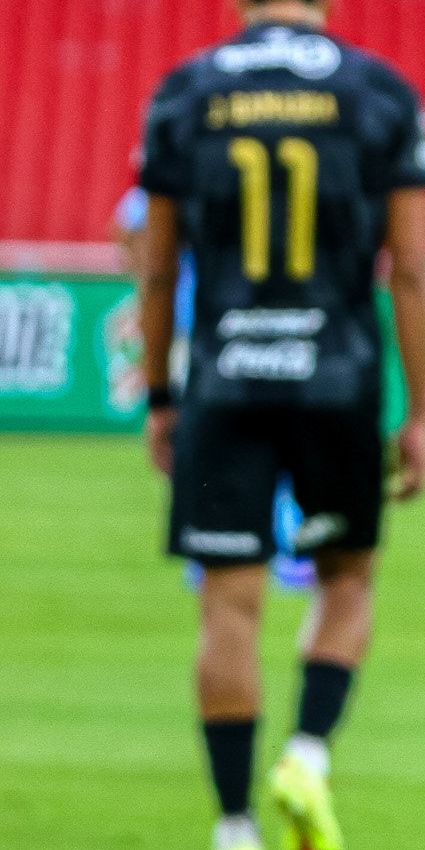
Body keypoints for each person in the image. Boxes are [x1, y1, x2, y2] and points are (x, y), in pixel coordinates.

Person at [135, 0, 425, 850]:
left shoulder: (186, 91)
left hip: (225, 378)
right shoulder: (381, 92)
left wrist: (159, 393)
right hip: (339, 378)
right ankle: (306, 754)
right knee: (347, 579)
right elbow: (410, 268)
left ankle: (234, 834)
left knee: (229, 604)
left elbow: (157, 264)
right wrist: (421, 407)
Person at [121, 187, 317, 595]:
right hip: (255, 324)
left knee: (208, 440)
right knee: (277, 436)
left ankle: (212, 547)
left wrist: (153, 276)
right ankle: (286, 550)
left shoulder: (194, 167)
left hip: (209, 330)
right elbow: (129, 228)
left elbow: (129, 226)